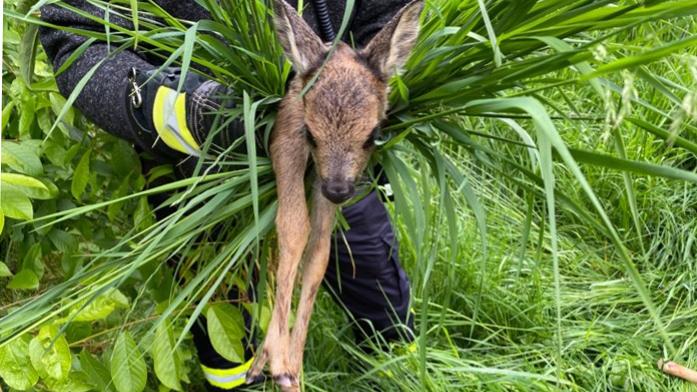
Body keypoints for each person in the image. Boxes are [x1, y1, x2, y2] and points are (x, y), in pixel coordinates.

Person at [39, 1, 414, 390]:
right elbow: (75, 31)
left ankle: (399, 368)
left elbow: (387, 15)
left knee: (373, 280)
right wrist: (174, 108)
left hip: (338, 163)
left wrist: (366, 91)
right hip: (198, 171)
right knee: (227, 332)